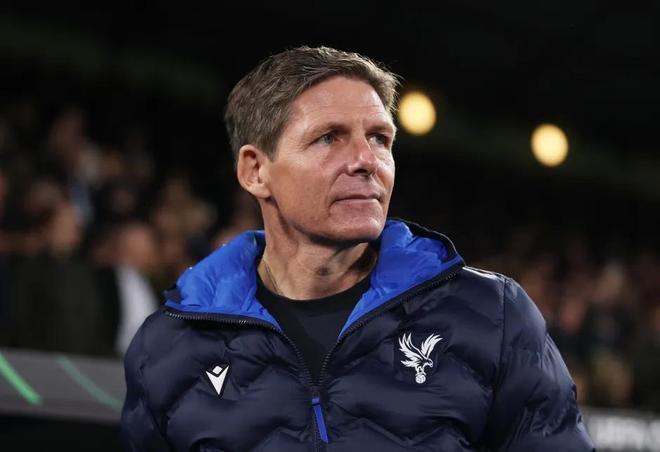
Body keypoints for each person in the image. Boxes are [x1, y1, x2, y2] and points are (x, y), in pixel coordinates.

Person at [121, 46, 594, 451]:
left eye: (379, 139)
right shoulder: (168, 346)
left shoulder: (491, 315)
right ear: (255, 171)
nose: (367, 161)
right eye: (329, 138)